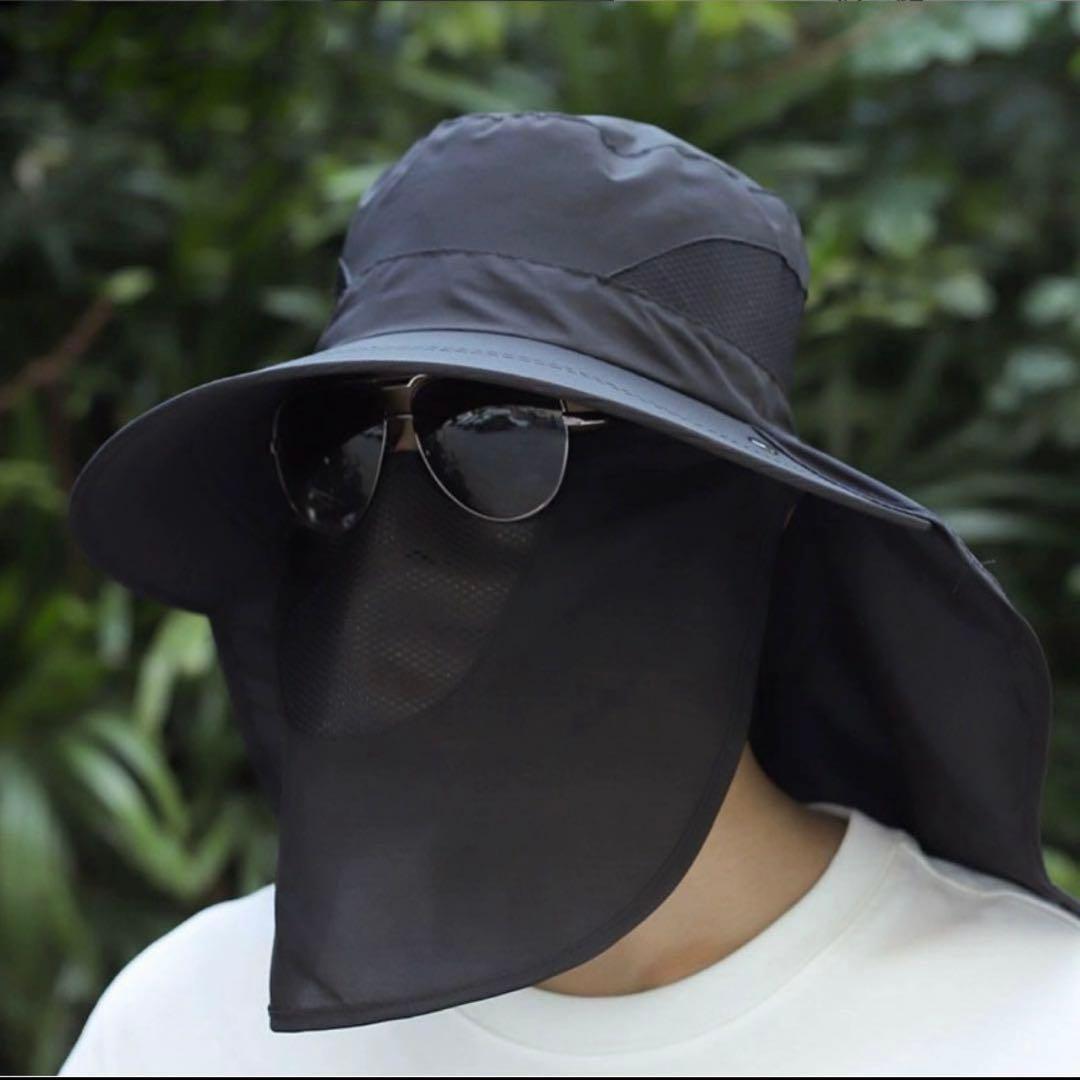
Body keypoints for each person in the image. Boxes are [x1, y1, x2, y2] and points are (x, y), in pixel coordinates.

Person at [60, 112, 1080, 1076]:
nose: (397, 534)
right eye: (346, 443)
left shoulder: (1032, 1024)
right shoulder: (191, 1023)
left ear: (747, 507)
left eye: (498, 431)